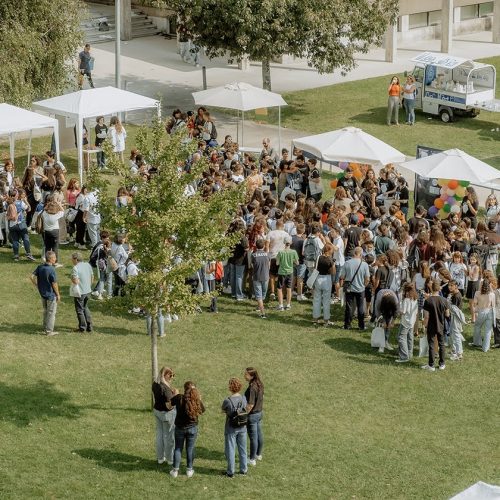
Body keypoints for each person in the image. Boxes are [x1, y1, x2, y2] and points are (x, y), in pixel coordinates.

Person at [168, 381, 205, 478]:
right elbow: (202, 410)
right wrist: (199, 399)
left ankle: (175, 470)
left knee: (178, 448)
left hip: (180, 428)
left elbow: (168, 406)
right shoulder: (196, 399)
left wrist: (174, 396)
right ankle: (189, 469)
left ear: (184, 389)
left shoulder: (179, 397)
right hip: (192, 428)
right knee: (190, 448)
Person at [222, 377, 248, 478]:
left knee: (231, 450)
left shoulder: (227, 401)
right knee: (243, 449)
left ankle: (230, 471)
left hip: (231, 428)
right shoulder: (244, 398)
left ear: (230, 387)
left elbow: (223, 410)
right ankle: (243, 469)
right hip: (242, 427)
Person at [422, 279, 450, 372]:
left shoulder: (428, 301)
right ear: (439, 289)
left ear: (431, 288)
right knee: (441, 344)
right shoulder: (444, 300)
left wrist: (424, 326)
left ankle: (431, 365)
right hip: (441, 325)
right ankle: (442, 364)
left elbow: (426, 317)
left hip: (431, 325)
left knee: (431, 345)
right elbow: (447, 314)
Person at [31, 250, 60, 336]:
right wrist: (58, 294)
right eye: (54, 257)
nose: (56, 259)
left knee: (45, 311)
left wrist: (36, 284)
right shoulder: (52, 270)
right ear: (50, 259)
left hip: (42, 293)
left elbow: (31, 276)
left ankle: (45, 326)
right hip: (51, 295)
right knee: (51, 313)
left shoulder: (40, 267)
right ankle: (49, 331)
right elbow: (54, 284)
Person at [340, 246, 370, 330]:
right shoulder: (364, 264)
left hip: (349, 288)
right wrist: (364, 285)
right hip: (360, 288)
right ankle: (361, 326)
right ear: (360, 254)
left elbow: (342, 276)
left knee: (349, 307)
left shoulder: (347, 263)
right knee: (360, 307)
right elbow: (367, 278)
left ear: (354, 253)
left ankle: (347, 325)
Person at [152, 367, 177, 466]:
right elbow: (169, 406)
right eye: (170, 375)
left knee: (159, 435)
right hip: (167, 415)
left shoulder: (155, 383)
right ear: (165, 375)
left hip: (157, 411)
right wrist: (175, 396)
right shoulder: (166, 389)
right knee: (169, 437)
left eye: (173, 375)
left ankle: (160, 458)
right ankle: (170, 459)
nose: (172, 378)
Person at [6, 188, 35, 261]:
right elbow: (29, 209)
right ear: (16, 195)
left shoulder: (8, 203)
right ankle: (28, 254)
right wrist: (26, 201)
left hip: (11, 224)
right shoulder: (20, 203)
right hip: (21, 223)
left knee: (15, 240)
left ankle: (16, 255)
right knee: (25, 238)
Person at [244, 368, 264, 466]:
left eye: (246, 374)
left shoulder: (252, 387)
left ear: (252, 376)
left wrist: (244, 414)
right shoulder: (260, 384)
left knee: (253, 438)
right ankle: (258, 454)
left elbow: (250, 404)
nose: (244, 376)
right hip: (259, 413)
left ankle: (252, 459)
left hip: (252, 416)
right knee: (259, 435)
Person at [312, 243, 335, 326]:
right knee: (326, 301)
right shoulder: (330, 259)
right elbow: (333, 272)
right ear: (329, 250)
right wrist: (333, 264)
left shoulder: (319, 257)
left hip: (318, 278)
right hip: (327, 279)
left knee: (317, 299)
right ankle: (326, 320)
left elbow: (315, 268)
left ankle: (315, 319)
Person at [71, 252, 94, 333]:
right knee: (85, 307)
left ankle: (82, 328)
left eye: (72, 259)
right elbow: (92, 277)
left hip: (80, 292)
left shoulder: (75, 268)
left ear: (75, 259)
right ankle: (89, 327)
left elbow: (75, 281)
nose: (71, 260)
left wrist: (72, 279)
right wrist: (89, 286)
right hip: (88, 290)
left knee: (79, 310)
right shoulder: (88, 265)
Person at [470, 278, 495, 352]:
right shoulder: (492, 294)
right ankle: (485, 348)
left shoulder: (477, 293)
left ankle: (477, 343)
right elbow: (493, 305)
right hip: (489, 312)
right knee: (488, 331)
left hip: (481, 312)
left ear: (481, 285)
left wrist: (475, 310)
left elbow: (474, 303)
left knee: (477, 327)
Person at [396, 283, 418, 362]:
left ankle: (404, 356)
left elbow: (403, 311)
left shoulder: (406, 300)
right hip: (412, 321)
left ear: (407, 291)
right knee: (410, 338)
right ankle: (410, 354)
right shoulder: (415, 299)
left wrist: (398, 309)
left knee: (401, 337)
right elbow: (416, 312)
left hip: (405, 322)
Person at [275, 235, 299, 311]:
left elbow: (277, 263)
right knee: (289, 288)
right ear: (291, 243)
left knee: (279, 288)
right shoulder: (293, 252)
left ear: (284, 243)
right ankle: (288, 305)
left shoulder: (280, 252)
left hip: (281, 272)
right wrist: (292, 261)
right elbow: (297, 263)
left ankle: (281, 305)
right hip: (290, 272)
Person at [251, 239, 270, 318]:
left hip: (256, 276)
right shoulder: (267, 255)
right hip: (265, 276)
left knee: (259, 295)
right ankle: (262, 312)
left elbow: (251, 266)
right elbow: (269, 266)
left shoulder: (253, 255)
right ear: (264, 246)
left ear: (256, 246)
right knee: (263, 294)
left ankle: (260, 308)